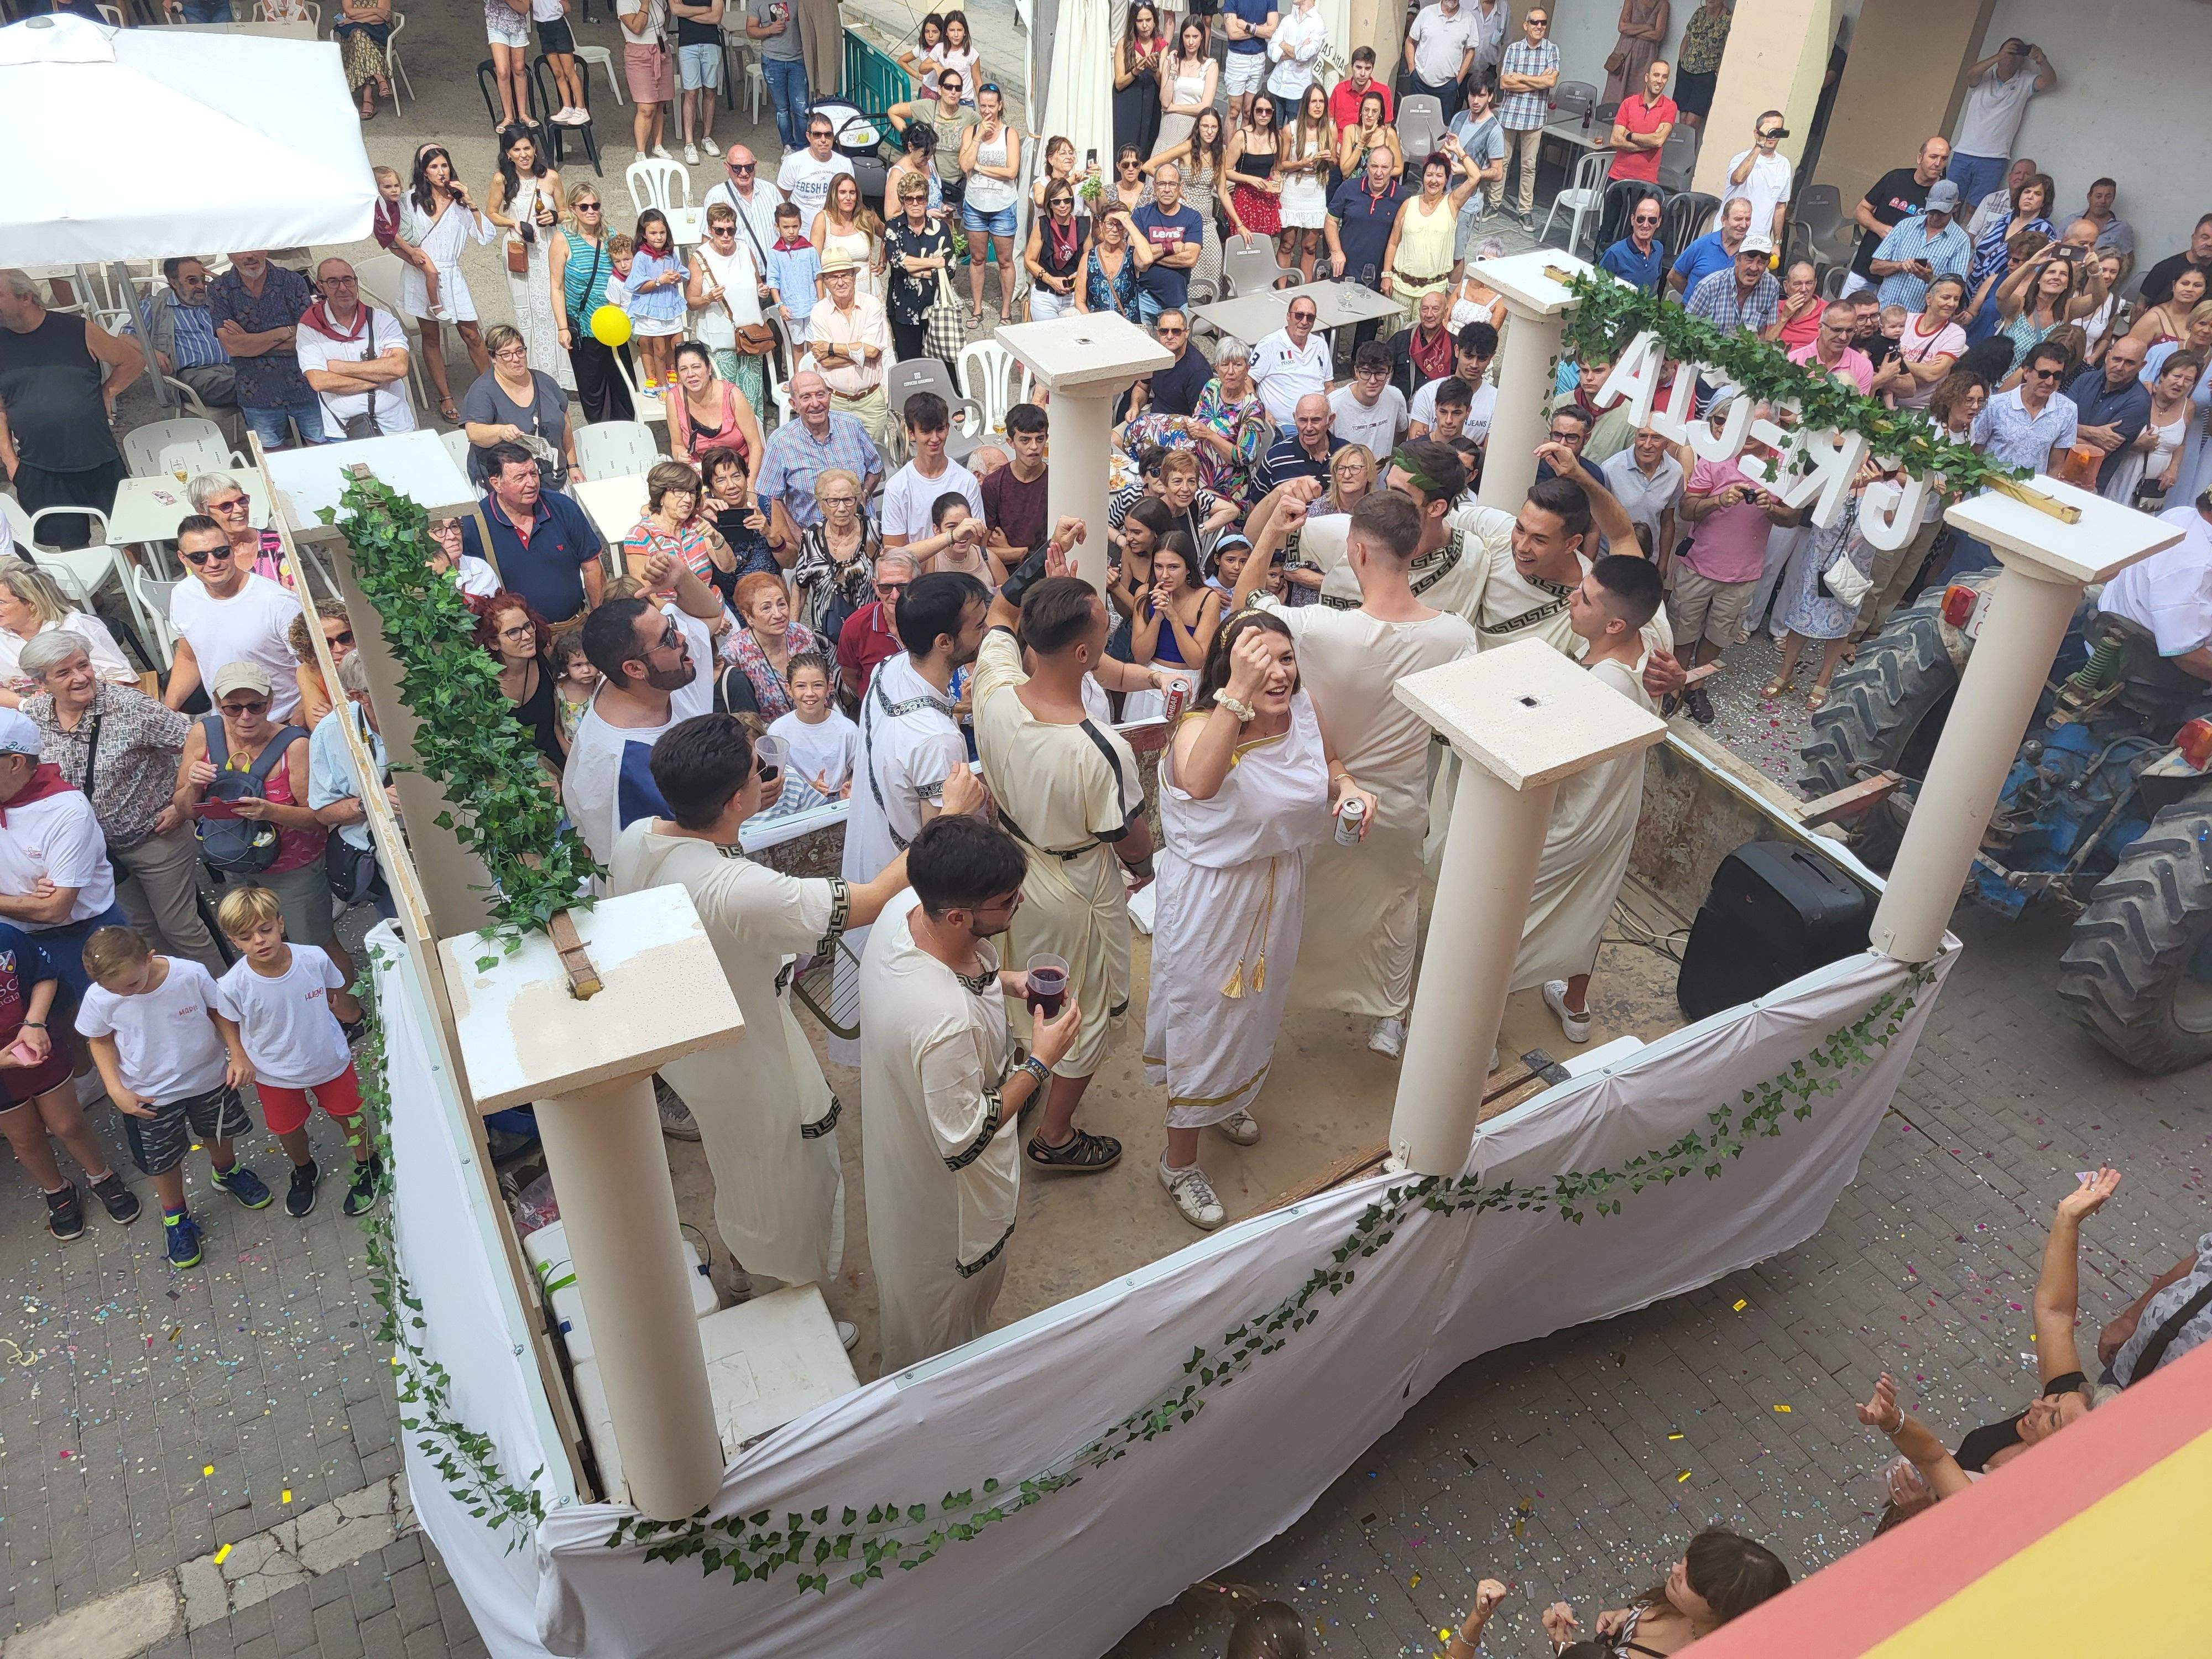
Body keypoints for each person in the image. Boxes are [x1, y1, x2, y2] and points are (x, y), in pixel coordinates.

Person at [616, 718, 956, 1343]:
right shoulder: (735, 889)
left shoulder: (638, 837)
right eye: (756, 770)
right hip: (744, 1050)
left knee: (738, 1168)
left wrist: (740, 808)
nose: (765, 772)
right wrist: (944, 819)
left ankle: (747, 1275)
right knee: (784, 1178)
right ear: (732, 799)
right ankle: (798, 1313)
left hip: (693, 1035)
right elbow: (873, 897)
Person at [1231, 490, 1475, 1057]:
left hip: (1318, 792)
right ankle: (1388, 1017)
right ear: (1412, 550)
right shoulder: (1456, 636)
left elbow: (1245, 602)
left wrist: (1269, 534)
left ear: (1357, 554)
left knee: (1295, 902)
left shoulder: (1317, 628)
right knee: (1394, 904)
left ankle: (1274, 1001)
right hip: (1400, 801)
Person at [1148, 604, 1349, 1227]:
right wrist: (1236, 694)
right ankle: (1179, 1160)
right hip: (1212, 901)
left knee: (1259, 1006)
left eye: (1285, 658)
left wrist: (1350, 791)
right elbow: (1201, 783)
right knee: (1204, 1019)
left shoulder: (1304, 714)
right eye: (1258, 660)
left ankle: (1229, 1097)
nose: (1278, 673)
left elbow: (1332, 768)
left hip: (1276, 885)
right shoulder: (1200, 728)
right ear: (1228, 668)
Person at [861, 813, 1078, 1371]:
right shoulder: (945, 1023)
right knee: (944, 1341)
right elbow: (965, 1140)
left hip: (900, 1157)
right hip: (946, 1209)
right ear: (958, 916)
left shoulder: (900, 913)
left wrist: (1004, 981)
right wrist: (1041, 1061)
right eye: (1006, 902)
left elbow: (958, 971)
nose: (1018, 905)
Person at [972, 551, 1151, 1176]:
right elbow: (1128, 837)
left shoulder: (992, 690)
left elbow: (998, 608)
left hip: (1007, 867)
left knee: (1016, 986)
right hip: (1072, 886)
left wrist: (1041, 557)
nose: (1107, 631)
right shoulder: (1099, 748)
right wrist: (1146, 863)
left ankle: (1014, 1086)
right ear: (1083, 655)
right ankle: (1055, 1131)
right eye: (1103, 628)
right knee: (1079, 1009)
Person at [835, 570, 990, 1058]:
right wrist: (965, 812)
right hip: (908, 886)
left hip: (871, 846)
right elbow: (941, 855)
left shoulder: (888, 669)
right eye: (979, 626)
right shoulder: (935, 739)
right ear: (945, 642)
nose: (986, 632)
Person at [1512, 554, 1665, 1046]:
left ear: (1615, 623)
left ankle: (1479, 1027)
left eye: (1586, 598)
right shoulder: (1653, 642)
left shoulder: (1603, 681)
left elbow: (1553, 757)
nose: (1572, 599)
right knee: (1591, 906)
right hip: (1618, 808)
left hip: (1576, 818)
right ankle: (1575, 1008)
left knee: (1511, 917)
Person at [20, 633, 222, 974]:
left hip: (156, 841)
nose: (81, 677)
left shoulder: (129, 706)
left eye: (83, 665)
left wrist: (180, 803)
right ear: (41, 683)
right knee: (140, 932)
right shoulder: (37, 716)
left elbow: (199, 742)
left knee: (180, 928)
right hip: (100, 853)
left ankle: (225, 999)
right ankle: (180, 1001)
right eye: (64, 673)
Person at [76, 925, 259, 1270]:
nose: (125, 994)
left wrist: (238, 1053)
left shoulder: (189, 974)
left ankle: (227, 1171)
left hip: (207, 1077)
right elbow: (99, 1040)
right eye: (113, 989)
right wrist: (116, 1090)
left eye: (131, 985)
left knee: (218, 1131)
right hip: (149, 1094)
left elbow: (217, 1010)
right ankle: (175, 1217)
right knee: (161, 1159)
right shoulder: (101, 997)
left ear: (149, 958)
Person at [173, 662, 361, 998]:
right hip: (234, 862)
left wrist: (269, 811)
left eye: (255, 706)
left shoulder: (295, 746)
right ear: (218, 704)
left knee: (314, 944)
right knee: (257, 943)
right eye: (234, 708)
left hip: (294, 866)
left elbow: (318, 817)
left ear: (270, 702)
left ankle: (348, 1009)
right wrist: (192, 786)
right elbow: (186, 810)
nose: (245, 716)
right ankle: (297, 1006)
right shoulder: (203, 734)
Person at [214, 884, 382, 1221]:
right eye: (247, 937)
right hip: (274, 1072)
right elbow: (225, 1018)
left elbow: (335, 992)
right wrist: (238, 1056)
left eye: (265, 930)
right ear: (234, 942)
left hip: (328, 1059)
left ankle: (368, 1164)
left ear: (280, 923)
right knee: (287, 1129)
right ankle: (304, 1169)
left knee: (348, 1115)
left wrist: (348, 1011)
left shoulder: (313, 958)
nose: (259, 941)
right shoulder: (233, 984)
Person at [562, 551, 731, 864]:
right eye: (668, 637)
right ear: (634, 669)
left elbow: (710, 617)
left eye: (671, 625)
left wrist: (680, 577)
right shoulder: (616, 765)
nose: (682, 637)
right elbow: (634, 865)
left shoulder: (660, 674)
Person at [0, 911, 137, 1242]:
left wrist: (34, 1023)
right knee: (25, 1139)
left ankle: (101, 1175)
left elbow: (46, 975)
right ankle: (57, 1191)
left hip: (37, 1047)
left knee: (68, 1124)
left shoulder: (6, 937)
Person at [1671, 418, 1801, 723]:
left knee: (1718, 635)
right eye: (1747, 428)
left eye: (1761, 429)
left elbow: (1793, 518)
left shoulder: (1781, 469)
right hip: (1699, 567)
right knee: (1683, 630)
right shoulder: (1717, 459)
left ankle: (1697, 687)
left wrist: (1773, 510)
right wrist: (1718, 500)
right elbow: (1686, 509)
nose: (1751, 436)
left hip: (1743, 574)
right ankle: (1675, 685)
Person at [0, 270, 140, 549]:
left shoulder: (78, 329)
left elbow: (132, 362)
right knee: (71, 548)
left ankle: (139, 584)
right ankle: (91, 595)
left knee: (126, 533)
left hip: (98, 457)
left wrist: (107, 392)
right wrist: (10, 461)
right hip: (40, 466)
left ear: (25, 297)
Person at [1527, 1531, 1791, 1653]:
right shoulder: (1684, 1608)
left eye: (1688, 1579)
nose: (1675, 1569)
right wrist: (1628, 1617)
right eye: (1685, 1562)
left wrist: (1564, 1646)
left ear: (1720, 1609)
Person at [163, 517, 307, 718]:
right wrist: (166, 712)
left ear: (232, 549)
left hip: (280, 719)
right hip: (225, 721)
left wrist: (299, 720)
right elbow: (189, 657)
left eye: (221, 552)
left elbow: (312, 665)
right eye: (199, 557)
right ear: (183, 559)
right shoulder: (182, 595)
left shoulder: (278, 602)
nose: (213, 563)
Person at [398, 145, 496, 426]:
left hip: (451, 275)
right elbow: (391, 236)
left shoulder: (459, 202)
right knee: (430, 337)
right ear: (424, 172)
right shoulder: (409, 201)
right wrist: (413, 256)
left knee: (472, 335)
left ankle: (494, 390)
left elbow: (484, 236)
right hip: (421, 274)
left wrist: (471, 201)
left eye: (444, 166)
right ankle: (445, 397)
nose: (441, 172)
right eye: (434, 167)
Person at [1768, 467, 1882, 708]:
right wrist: (1846, 482)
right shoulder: (1838, 468)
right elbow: (1809, 498)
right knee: (1803, 612)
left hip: (1855, 561)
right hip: (1820, 554)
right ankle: (1785, 671)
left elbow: (1891, 521)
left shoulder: (1890, 487)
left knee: (1842, 619)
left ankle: (1823, 679)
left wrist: (1879, 486)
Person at [458, 444, 606, 628]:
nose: (532, 483)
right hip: (516, 640)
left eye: (534, 474)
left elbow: (592, 566)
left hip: (574, 627)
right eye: (520, 477)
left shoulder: (563, 507)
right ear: (496, 484)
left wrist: (599, 619)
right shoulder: (476, 523)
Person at [206, 252, 320, 452]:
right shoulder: (219, 288)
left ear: (265, 250)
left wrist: (250, 343)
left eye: (255, 248)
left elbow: (310, 338)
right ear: (230, 254)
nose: (250, 256)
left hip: (304, 384)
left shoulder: (292, 281)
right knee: (271, 460)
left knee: (322, 450)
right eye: (242, 251)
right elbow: (233, 347)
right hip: (257, 390)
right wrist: (285, 331)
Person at [295, 259, 414, 440]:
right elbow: (319, 382)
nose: (343, 288)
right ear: (320, 287)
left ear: (356, 282)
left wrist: (338, 367)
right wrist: (380, 376)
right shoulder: (310, 327)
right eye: (333, 282)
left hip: (395, 425)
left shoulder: (383, 320)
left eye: (348, 280)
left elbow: (398, 368)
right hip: (343, 430)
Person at [758, 369, 880, 545]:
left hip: (862, 535)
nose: (816, 404)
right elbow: (769, 496)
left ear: (829, 396)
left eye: (820, 395)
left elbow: (875, 468)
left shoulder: (852, 426)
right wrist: (801, 538)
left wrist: (865, 493)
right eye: (806, 397)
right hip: (816, 540)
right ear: (794, 404)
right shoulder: (781, 442)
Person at [2096, 491, 2212, 676]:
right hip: (2140, 672)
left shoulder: (2182, 515)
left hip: (2118, 636)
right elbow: (2188, 656)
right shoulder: (2195, 566)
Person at [547, 187, 636, 425]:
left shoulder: (613, 235)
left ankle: (628, 439)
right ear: (573, 209)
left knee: (624, 388)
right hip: (584, 328)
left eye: (595, 206)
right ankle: (602, 440)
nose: (591, 212)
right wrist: (562, 328)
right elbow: (556, 287)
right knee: (593, 392)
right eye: (584, 207)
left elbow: (631, 272)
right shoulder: (563, 239)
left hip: (615, 325)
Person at [461, 323, 582, 491]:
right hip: (506, 487)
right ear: (494, 358)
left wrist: (573, 465)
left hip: (552, 479)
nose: (516, 359)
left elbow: (565, 423)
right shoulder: (483, 390)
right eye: (506, 355)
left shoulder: (545, 382)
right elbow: (473, 433)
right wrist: (500, 432)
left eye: (519, 351)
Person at [0, 560, 132, 705]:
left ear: (31, 603)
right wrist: (27, 706)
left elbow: (119, 674)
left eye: (2, 602)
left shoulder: (74, 626)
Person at [1947, 38, 2057, 207]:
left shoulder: (2025, 80)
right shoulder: (1983, 77)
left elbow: (2050, 81)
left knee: (1976, 207)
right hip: (1965, 151)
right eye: (2009, 52)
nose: (2011, 58)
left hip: (1995, 157)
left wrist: (2041, 60)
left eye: (2017, 54)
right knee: (1950, 203)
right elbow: (1970, 74)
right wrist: (1998, 57)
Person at [1144, 109, 1234, 305]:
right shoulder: (1187, 148)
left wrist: (1240, 223)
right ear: (1198, 128)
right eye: (1205, 126)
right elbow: (1150, 166)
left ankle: (1210, 319)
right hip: (1185, 219)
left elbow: (1223, 191)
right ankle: (1184, 313)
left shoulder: (1220, 152)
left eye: (1213, 127)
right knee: (1188, 269)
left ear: (1219, 130)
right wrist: (1173, 189)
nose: (1209, 131)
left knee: (1214, 266)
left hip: (1207, 221)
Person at [1384, 151, 1481, 328]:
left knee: (1426, 344)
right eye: (1429, 175)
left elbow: (1475, 176)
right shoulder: (1409, 204)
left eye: (1439, 176)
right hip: (1401, 287)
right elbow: (1393, 242)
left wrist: (1459, 151)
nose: (1434, 181)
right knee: (1396, 341)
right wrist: (1386, 275)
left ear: (1446, 180)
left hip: (1432, 292)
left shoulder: (1452, 203)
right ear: (1423, 178)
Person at [1846, 134, 1952, 296]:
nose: (1938, 163)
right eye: (1933, 157)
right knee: (1846, 317)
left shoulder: (1943, 195)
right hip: (1865, 265)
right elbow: (1861, 210)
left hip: (1901, 281)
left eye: (1944, 159)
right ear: (1920, 158)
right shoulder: (1896, 178)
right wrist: (1880, 228)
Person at [473, 591, 567, 773]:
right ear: (494, 644)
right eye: (513, 632)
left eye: (527, 626)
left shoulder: (546, 659)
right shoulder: (484, 686)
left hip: (561, 764)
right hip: (517, 776)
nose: (526, 636)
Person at [807, 251, 894, 446]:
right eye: (833, 277)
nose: (840, 282)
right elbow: (825, 361)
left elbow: (873, 351)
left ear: (854, 277)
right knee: (840, 463)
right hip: (835, 401)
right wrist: (862, 354)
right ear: (826, 282)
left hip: (870, 400)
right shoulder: (819, 312)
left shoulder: (872, 305)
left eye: (845, 275)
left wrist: (831, 347)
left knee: (875, 462)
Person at [791, 467, 883, 649]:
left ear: (856, 500)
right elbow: (800, 589)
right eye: (833, 501)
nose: (842, 508)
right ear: (822, 506)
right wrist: (793, 634)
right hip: (828, 640)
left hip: (870, 633)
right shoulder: (811, 537)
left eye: (848, 500)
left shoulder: (874, 531)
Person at [131, 257, 236, 413]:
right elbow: (125, 337)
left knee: (271, 384)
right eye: (192, 281)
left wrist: (217, 281)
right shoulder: (156, 307)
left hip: (234, 367)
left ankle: (268, 432)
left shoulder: (215, 302)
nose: (201, 286)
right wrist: (152, 353)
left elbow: (249, 304)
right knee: (254, 390)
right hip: (196, 375)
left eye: (203, 280)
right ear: (174, 282)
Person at [957, 86, 1024, 325]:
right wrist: (977, 138)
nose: (987, 111)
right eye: (983, 106)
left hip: (1003, 205)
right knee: (977, 259)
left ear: (1000, 106)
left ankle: (1005, 312)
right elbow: (965, 165)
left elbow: (1011, 172)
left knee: (1005, 260)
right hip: (976, 204)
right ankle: (977, 309)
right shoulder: (971, 132)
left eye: (991, 106)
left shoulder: (1010, 134)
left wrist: (981, 168)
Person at [883, 394, 984, 551]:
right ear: (911, 433)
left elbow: (975, 541)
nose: (935, 438)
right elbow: (894, 552)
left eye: (940, 429)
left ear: (948, 429)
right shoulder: (897, 487)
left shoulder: (967, 481)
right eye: (926, 431)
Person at [2104, 351, 2198, 507]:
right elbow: (2110, 437)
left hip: (2150, 489)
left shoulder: (2189, 407)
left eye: (2188, 380)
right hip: (2121, 475)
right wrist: (2136, 446)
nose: (2181, 384)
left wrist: (2173, 470)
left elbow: (2181, 443)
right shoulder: (2140, 396)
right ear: (2163, 375)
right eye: (2177, 376)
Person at [1974, 338, 2079, 472]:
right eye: (2044, 374)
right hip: (1990, 487)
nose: (2050, 382)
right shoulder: (1996, 405)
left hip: (2032, 490)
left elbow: (2056, 465)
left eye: (2057, 376)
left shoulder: (2068, 410)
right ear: (2027, 372)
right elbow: (1976, 451)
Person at [2064, 335, 2153, 495]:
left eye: (2129, 362)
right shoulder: (2085, 379)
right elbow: (2053, 424)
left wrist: (2065, 433)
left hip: (2088, 485)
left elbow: (2095, 453)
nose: (2120, 367)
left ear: (2142, 366)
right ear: (2107, 357)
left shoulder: (2140, 402)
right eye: (2116, 359)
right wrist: (2091, 433)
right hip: (2052, 469)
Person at [1495, 6, 1559, 227]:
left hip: (1534, 117)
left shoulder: (1552, 50)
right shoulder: (1513, 49)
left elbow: (1550, 83)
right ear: (1526, 26)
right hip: (1510, 114)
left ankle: (1525, 210)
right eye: (1534, 22)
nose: (1539, 27)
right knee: (1502, 162)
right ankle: (1494, 203)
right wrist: (1536, 81)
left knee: (1529, 166)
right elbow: (1504, 83)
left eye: (1543, 23)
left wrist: (1521, 78)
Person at [1324, 144, 1407, 310]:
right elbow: (1331, 221)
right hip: (1343, 269)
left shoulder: (1403, 198)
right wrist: (1335, 251)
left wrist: (1389, 274)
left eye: (1384, 167)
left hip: (1376, 276)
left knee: (1367, 330)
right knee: (1332, 317)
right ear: (1367, 166)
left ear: (1393, 169)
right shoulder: (1349, 188)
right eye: (1374, 166)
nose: (1379, 173)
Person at [1869, 181, 1971, 314]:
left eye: (1941, 213)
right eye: (1932, 211)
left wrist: (1931, 279)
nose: (1935, 217)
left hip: (1917, 318)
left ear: (1956, 207)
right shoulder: (1905, 226)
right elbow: (1874, 267)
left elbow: (1955, 290)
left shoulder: (1961, 240)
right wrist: (1899, 266)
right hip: (1884, 311)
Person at [1602, 58, 1675, 242]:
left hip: (1646, 182)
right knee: (1606, 229)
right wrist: (1646, 143)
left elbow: (1659, 141)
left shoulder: (1670, 107)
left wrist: (1630, 135)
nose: (1659, 81)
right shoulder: (1629, 103)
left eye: (1664, 77)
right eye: (1656, 75)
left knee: (1633, 235)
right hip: (1618, 176)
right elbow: (1614, 140)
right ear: (1647, 77)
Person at [766, 653, 858, 799]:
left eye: (817, 685)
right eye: (801, 686)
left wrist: (850, 786)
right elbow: (777, 779)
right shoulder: (778, 731)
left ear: (829, 687)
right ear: (789, 689)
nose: (810, 693)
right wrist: (809, 788)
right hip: (796, 804)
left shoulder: (847, 729)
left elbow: (860, 767)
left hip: (839, 801)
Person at [1872, 275, 1968, 410]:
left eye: (1956, 299)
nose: (1952, 304)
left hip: (1916, 411)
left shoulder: (1956, 334)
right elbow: (1876, 350)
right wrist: (1921, 367)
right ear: (1929, 299)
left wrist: (1893, 361)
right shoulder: (1906, 321)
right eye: (1946, 298)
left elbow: (1931, 375)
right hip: (1882, 399)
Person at [837, 550, 917, 704]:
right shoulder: (856, 626)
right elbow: (850, 676)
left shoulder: (932, 620)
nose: (894, 595)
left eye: (903, 587)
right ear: (875, 585)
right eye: (886, 587)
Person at [1131, 163, 1205, 327]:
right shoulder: (1141, 215)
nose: (1167, 189)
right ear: (1155, 186)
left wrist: (1150, 254)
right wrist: (1169, 247)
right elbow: (1137, 261)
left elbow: (1190, 259)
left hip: (1177, 301)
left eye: (1172, 184)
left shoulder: (1193, 218)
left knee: (1175, 351)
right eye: (1162, 184)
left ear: (1180, 186)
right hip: (1145, 299)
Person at [981, 403, 1051, 561]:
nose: (1034, 447)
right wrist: (1019, 554)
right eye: (1025, 440)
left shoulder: (1056, 481)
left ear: (1046, 438)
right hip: (1003, 571)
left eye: (1039, 439)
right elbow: (984, 548)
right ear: (1011, 442)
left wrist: (1013, 552)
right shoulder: (994, 484)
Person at [1251, 294, 1332, 427]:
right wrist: (1261, 411)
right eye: (1299, 315)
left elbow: (1329, 386)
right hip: (1283, 426)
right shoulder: (1269, 344)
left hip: (1318, 425)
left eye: (1310, 318)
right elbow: (1247, 382)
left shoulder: (1320, 345)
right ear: (1288, 317)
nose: (1304, 322)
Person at [1409, 320, 1497, 437]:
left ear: (1491, 358)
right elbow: (1416, 447)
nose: (1474, 365)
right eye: (1468, 356)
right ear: (1457, 351)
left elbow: (1490, 452)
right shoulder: (1428, 392)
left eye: (1482, 359)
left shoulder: (1496, 400)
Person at [778, 111, 856, 240]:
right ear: (808, 136)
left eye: (828, 135)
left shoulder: (845, 164)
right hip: (802, 237)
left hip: (834, 235)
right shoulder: (793, 162)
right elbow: (781, 199)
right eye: (817, 135)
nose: (823, 140)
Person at [1721, 111, 1793, 248]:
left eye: (1777, 132)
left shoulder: (1784, 165)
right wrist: (1759, 145)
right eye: (1769, 131)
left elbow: (1780, 207)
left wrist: (1777, 242)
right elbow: (1737, 179)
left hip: (1758, 243)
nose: (1772, 136)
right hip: (1729, 237)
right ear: (1756, 133)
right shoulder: (1741, 158)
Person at [1687, 234, 1782, 335]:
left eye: (1761, 262)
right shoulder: (1708, 287)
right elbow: (1687, 330)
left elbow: (1766, 332)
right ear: (1737, 260)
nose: (1754, 268)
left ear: (1768, 264)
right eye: (1749, 261)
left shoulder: (1771, 286)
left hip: (1749, 349)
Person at [1444, 80, 1506, 233]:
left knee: (1457, 255)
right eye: (1473, 95)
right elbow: (1447, 148)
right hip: (1444, 196)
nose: (1476, 101)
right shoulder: (1459, 117)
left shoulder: (1494, 130)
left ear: (1490, 97)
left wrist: (1465, 171)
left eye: (1482, 96)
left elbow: (1497, 173)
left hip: (1467, 202)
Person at [615, 0, 675, 160]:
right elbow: (636, 27)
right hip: (638, 55)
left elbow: (666, 15)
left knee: (660, 103)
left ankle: (658, 145)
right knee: (646, 107)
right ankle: (641, 151)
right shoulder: (625, 2)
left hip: (661, 51)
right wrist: (645, 4)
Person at [745, 0, 808, 150]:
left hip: (798, 59)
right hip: (772, 61)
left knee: (801, 108)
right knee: (782, 109)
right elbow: (750, 30)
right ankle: (788, 146)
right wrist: (769, 30)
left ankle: (803, 148)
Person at [1404, 0, 1480, 121]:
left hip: (1447, 88)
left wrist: (1457, 82)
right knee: (1416, 124)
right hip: (1420, 83)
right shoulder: (1427, 13)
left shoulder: (1469, 19)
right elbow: (1410, 41)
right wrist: (1412, 71)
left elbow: (1470, 51)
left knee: (1442, 130)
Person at [1330, 340, 1407, 456]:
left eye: (1380, 374)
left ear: (1389, 373)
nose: (1372, 381)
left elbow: (1402, 430)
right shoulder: (1334, 404)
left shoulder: (1395, 398)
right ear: (1356, 371)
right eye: (1366, 373)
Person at [1258, 393, 1344, 495]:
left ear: (1330, 420)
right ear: (1295, 419)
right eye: (1302, 420)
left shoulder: (1346, 454)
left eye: (1316, 420)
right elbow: (1256, 507)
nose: (1308, 428)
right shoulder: (1275, 457)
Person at [1667, 195, 1753, 299]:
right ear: (1724, 220)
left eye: (1748, 219)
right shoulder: (1702, 245)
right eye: (1738, 219)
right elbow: (1674, 276)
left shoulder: (1751, 251)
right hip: (1695, 314)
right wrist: (1694, 297)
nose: (1744, 225)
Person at [1115, 2, 1170, 157]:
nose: (1145, 26)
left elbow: (1163, 85)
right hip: (1129, 103)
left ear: (1155, 20)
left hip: (1152, 104)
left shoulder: (1162, 45)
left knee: (1148, 147)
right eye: (1140, 21)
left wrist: (1154, 70)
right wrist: (1135, 72)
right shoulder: (1124, 44)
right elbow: (1119, 83)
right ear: (1134, 22)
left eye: (1149, 20)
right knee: (1126, 148)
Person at [1789, 298, 1876, 394]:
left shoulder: (1863, 366)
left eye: (1849, 331)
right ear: (1820, 327)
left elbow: (1859, 406)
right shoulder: (1794, 360)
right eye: (1836, 330)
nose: (1843, 337)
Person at [1081, 204, 1149, 324]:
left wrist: (1129, 224)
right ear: (1101, 225)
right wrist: (1091, 324)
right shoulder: (1089, 257)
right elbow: (1080, 300)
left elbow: (1147, 259)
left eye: (1120, 225)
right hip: (1098, 327)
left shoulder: (1132, 255)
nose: (1115, 230)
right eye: (1110, 224)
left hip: (1129, 328)